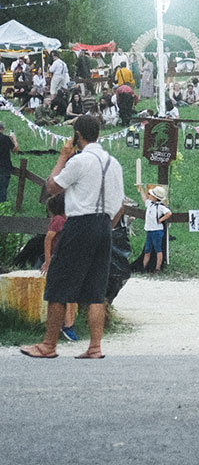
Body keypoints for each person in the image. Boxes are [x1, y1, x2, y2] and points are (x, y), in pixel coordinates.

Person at [21, 114, 125, 359]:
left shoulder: (79, 161)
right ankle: (95, 347)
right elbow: (120, 204)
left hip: (80, 223)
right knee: (95, 289)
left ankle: (49, 345)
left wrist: (62, 157)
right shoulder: (114, 163)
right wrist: (107, 225)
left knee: (58, 283)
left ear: (77, 135)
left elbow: (52, 187)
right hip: (104, 225)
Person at [39, 192, 79, 340]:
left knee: (73, 292)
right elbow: (48, 239)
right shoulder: (58, 220)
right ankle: (67, 325)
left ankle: (69, 322)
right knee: (68, 291)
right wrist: (48, 260)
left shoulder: (69, 219)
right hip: (61, 259)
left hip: (70, 258)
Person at [139, 185, 172, 274]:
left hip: (157, 230)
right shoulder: (150, 203)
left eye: (151, 194)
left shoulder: (160, 207)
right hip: (150, 230)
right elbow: (144, 199)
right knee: (147, 250)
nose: (149, 195)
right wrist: (141, 190)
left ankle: (157, 268)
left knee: (158, 249)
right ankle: (144, 267)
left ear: (155, 197)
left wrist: (160, 220)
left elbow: (168, 213)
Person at [0, 121, 19, 204]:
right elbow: (15, 150)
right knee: (2, 189)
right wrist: (14, 140)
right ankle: (2, 209)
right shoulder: (5, 139)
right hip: (4, 167)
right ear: (2, 129)